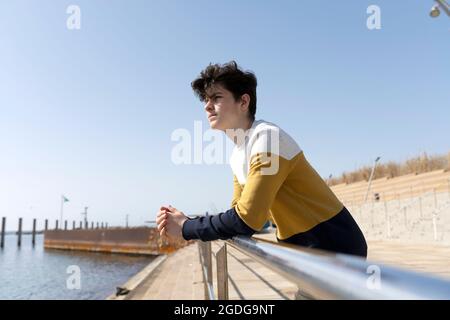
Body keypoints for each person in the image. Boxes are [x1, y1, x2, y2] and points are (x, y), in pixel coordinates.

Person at [156, 61, 367, 258]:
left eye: (216, 97)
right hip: (306, 250)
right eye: (205, 99)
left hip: (335, 246)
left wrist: (186, 227)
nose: (207, 106)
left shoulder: (267, 138)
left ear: (243, 101)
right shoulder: (239, 152)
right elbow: (238, 212)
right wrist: (186, 222)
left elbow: (247, 219)